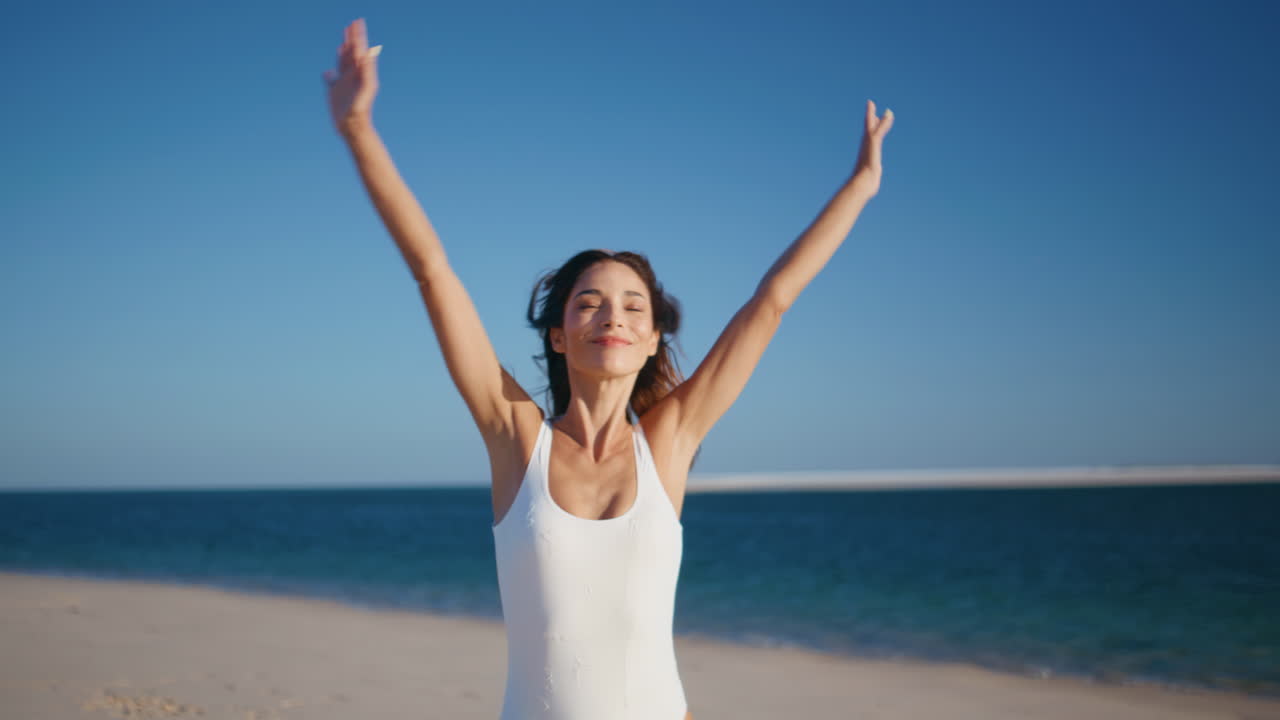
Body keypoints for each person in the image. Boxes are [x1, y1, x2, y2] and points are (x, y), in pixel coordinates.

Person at [324, 18, 893, 720]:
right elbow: (433, 272)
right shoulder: (516, 439)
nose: (611, 317)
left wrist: (861, 187)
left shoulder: (670, 443)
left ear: (653, 339)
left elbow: (771, 300)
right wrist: (359, 132)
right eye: (588, 304)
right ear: (559, 337)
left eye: (631, 306)